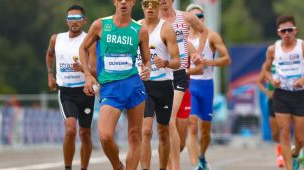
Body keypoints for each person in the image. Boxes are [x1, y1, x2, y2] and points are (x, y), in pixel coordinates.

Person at [79, 0, 151, 169]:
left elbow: (146, 61)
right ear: (115, 2)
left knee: (135, 135)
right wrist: (88, 75)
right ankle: (117, 166)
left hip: (134, 86)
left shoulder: (140, 30)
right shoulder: (100, 25)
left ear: (133, 2)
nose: (123, 2)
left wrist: (147, 69)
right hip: (111, 87)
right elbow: (83, 48)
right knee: (105, 136)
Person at [264, 15, 304, 170]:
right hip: (281, 94)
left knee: (300, 139)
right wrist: (272, 80)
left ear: (295, 30)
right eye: (283, 31)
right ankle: (290, 167)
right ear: (279, 32)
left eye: (290, 30)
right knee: (284, 132)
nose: (287, 33)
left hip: (300, 95)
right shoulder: (272, 49)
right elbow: (265, 71)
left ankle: (295, 154)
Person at [45, 4, 95, 170]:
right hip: (66, 91)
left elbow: (97, 68)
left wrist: (84, 69)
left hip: (85, 90)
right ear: (66, 21)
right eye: (70, 19)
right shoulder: (56, 38)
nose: (74, 22)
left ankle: (84, 167)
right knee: (70, 129)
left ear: (84, 21)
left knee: (85, 134)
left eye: (77, 18)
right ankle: (68, 167)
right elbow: (50, 54)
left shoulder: (90, 39)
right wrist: (50, 74)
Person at [159, 1, 208, 169]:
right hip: (159, 75)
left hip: (179, 75)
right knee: (165, 125)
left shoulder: (186, 18)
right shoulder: (152, 20)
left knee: (175, 131)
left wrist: (199, 53)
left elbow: (204, 30)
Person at [185, 4, 231, 170]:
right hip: (189, 84)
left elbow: (226, 59)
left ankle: (202, 156)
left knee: (205, 130)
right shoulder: (182, 38)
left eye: (199, 16)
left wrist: (209, 62)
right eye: (193, 17)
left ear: (203, 18)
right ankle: (195, 164)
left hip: (206, 85)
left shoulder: (212, 36)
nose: (197, 19)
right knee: (191, 123)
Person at [136, 0, 180, 169]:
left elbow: (178, 61)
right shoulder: (135, 28)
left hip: (163, 85)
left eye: (154, 4)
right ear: (142, 7)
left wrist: (166, 63)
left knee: (163, 132)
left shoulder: (166, 28)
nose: (150, 7)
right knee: (145, 131)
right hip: (142, 85)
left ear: (158, 7)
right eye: (146, 3)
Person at [256, 62, 285, 168]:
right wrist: (266, 91)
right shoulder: (267, 65)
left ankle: (283, 155)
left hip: (286, 99)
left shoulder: (287, 62)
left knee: (285, 129)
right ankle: (280, 150)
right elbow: (258, 82)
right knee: (275, 133)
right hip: (273, 100)